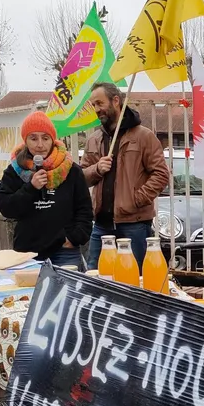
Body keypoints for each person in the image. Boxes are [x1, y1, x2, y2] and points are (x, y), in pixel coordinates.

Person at [81, 82, 170, 269]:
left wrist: (136, 199)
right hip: (101, 226)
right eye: (94, 105)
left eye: (100, 103)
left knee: (133, 277)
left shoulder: (144, 136)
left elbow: (161, 174)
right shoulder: (94, 139)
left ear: (116, 101)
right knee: (95, 277)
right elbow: (82, 178)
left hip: (134, 225)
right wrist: (97, 169)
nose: (96, 109)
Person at [0, 111, 92, 269]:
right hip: (27, 253)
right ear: (25, 140)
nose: (40, 145)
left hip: (64, 252)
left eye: (45, 138)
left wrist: (74, 238)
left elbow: (85, 210)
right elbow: (6, 208)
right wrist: (31, 188)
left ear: (52, 140)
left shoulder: (71, 170)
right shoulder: (15, 170)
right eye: (33, 138)